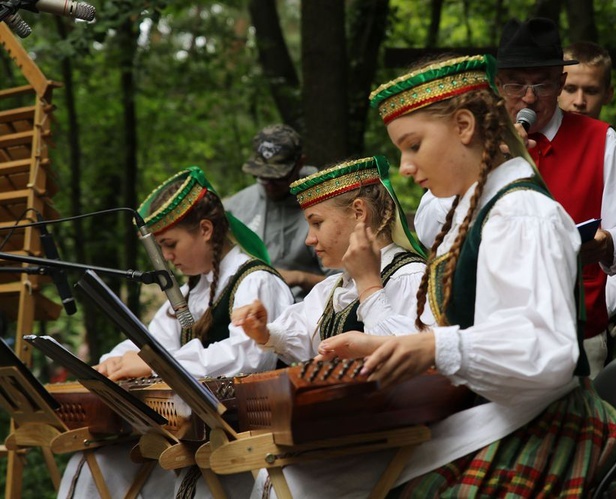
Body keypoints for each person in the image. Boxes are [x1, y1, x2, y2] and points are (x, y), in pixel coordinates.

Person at [248, 54, 616, 498]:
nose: (404, 167)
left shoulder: (522, 214)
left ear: (464, 126)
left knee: (312, 483)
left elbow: (547, 351)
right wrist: (387, 345)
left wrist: (430, 346)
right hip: (492, 412)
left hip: (537, 424)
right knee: (300, 477)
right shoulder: (479, 211)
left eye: (413, 145)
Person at [417, 18, 616, 376]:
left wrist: (608, 245)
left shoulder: (600, 140)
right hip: (481, 334)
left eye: (541, 84)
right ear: (498, 84)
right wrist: (485, 166)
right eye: (515, 84)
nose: (528, 97)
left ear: (559, 83)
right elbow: (427, 228)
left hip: (576, 335)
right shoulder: (470, 136)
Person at [59, 166, 294, 499]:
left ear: (206, 229)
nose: (166, 257)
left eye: (170, 244)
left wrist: (155, 364)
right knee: (92, 462)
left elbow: (251, 359)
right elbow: (148, 341)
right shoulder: (189, 293)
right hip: (197, 439)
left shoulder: (256, 281)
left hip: (251, 444)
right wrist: (113, 363)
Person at [232, 155, 428, 365]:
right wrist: (263, 332)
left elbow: (417, 356)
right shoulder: (332, 289)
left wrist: (369, 288)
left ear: (359, 212)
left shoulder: (412, 277)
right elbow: (304, 335)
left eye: (317, 223)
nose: (309, 239)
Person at [559, 40, 616, 374]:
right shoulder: (526, 144)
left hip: (588, 322)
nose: (579, 101)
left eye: (591, 90)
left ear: (608, 94)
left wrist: (590, 312)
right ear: (556, 85)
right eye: (570, 88)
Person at [223, 124, 329, 301]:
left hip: (307, 312)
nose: (269, 184)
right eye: (263, 176)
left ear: (300, 163)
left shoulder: (324, 205)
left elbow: (347, 284)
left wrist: (300, 278)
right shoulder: (237, 206)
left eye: (278, 177)